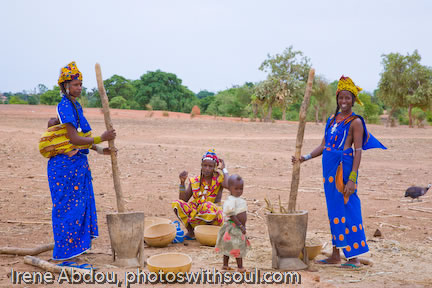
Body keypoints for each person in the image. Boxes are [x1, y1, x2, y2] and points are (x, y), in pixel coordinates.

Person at [292, 76, 386, 268]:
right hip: (329, 171)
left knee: (349, 208)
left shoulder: (356, 122)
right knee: (334, 210)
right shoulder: (331, 119)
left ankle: (354, 258)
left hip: (345, 171)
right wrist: (305, 158)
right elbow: (323, 145)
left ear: (353, 100)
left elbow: (358, 151)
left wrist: (352, 178)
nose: (344, 102)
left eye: (347, 98)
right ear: (337, 99)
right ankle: (336, 254)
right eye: (341, 98)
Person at [47, 61, 116, 262]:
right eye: (76, 84)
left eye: (80, 84)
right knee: (67, 209)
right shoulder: (65, 106)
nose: (79, 88)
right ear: (65, 86)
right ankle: (65, 255)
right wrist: (101, 138)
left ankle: (76, 249)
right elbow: (73, 139)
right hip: (64, 168)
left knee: (79, 207)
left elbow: (82, 137)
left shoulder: (76, 106)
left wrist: (101, 149)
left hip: (77, 166)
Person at [172, 149, 229, 240]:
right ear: (201, 166)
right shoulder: (195, 181)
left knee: (207, 206)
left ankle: (209, 234)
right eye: (205, 165)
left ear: (215, 167)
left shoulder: (219, 179)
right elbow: (184, 200)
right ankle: (192, 232)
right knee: (177, 203)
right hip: (198, 214)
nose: (207, 169)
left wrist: (224, 170)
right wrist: (182, 183)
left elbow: (228, 185)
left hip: (213, 216)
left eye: (210, 166)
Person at [215, 174, 250, 272]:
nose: (239, 191)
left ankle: (225, 265)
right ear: (230, 188)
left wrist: (243, 225)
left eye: (241, 189)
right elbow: (231, 215)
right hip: (233, 227)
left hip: (238, 227)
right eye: (236, 189)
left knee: (229, 246)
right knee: (237, 246)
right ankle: (240, 267)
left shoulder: (239, 199)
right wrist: (240, 225)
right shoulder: (230, 200)